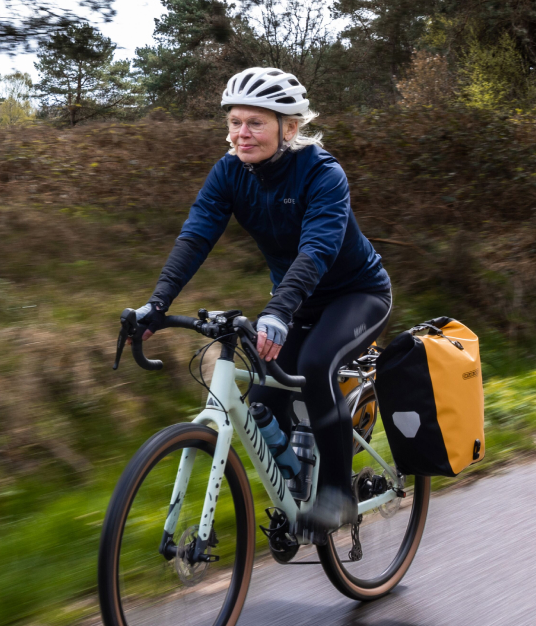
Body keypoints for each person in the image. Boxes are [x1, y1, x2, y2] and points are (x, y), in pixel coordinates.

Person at [128, 67, 391, 539]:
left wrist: (278, 311)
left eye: (255, 122)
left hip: (357, 295)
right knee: (265, 398)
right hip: (295, 304)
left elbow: (317, 249)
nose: (240, 133)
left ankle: (337, 495)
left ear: (289, 127)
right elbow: (196, 236)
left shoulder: (322, 172)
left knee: (314, 367)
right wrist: (157, 303)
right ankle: (298, 483)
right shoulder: (230, 171)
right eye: (234, 121)